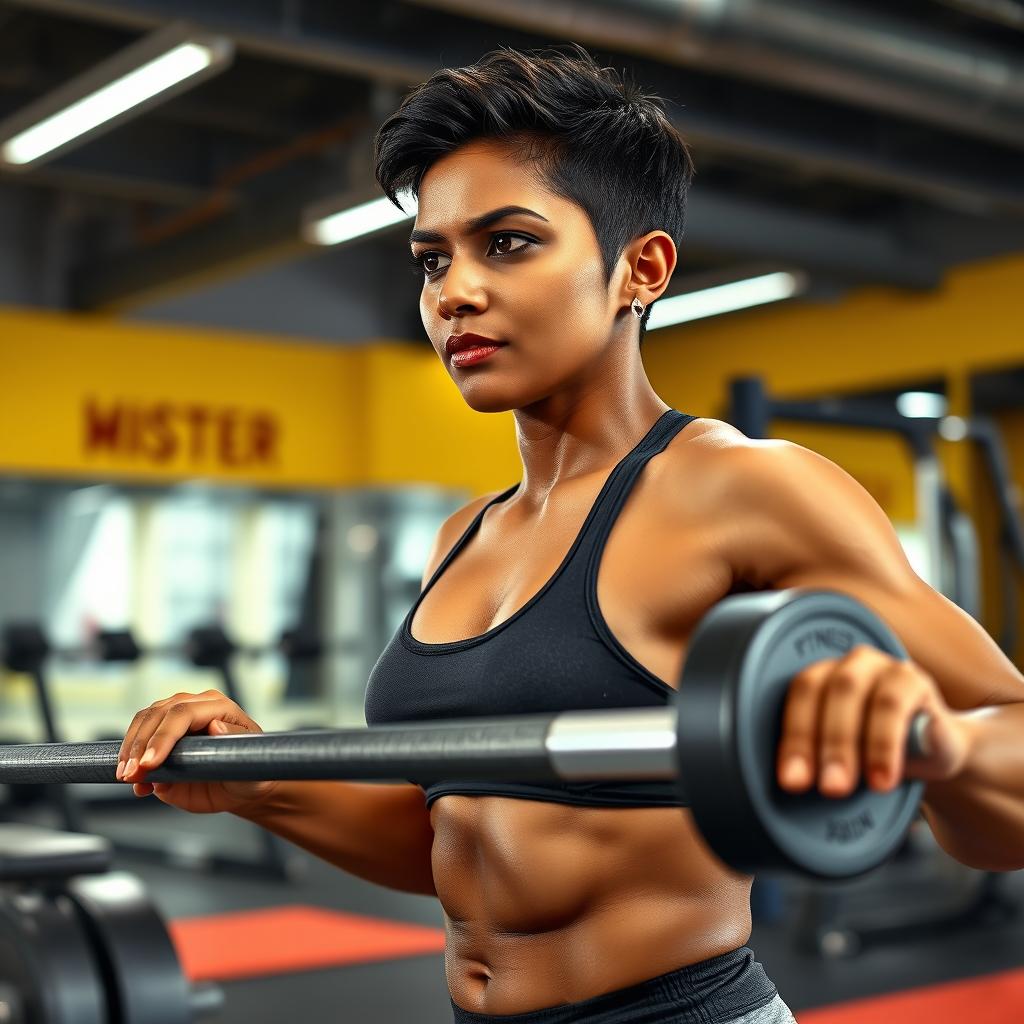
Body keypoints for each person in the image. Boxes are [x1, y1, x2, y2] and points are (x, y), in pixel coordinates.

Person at [117, 44, 1024, 1024]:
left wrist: (928, 740)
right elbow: (452, 843)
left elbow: (1008, 747)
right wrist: (253, 776)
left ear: (641, 267)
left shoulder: (742, 489)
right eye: (432, 259)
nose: (451, 291)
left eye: (506, 243)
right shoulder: (465, 536)